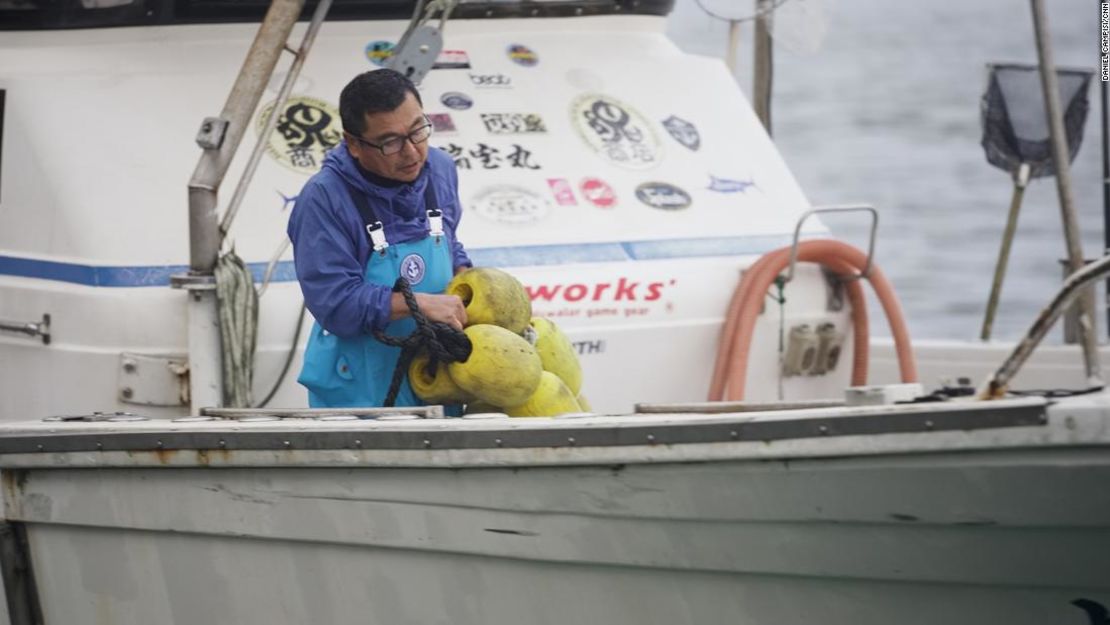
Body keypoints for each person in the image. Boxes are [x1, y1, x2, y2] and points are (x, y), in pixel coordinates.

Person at [288, 69, 471, 408]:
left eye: (418, 130)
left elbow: (451, 242)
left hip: (437, 378)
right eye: (391, 142)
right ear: (354, 143)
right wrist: (422, 304)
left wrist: (468, 281)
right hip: (362, 391)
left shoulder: (441, 169)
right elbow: (336, 303)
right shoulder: (323, 199)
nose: (413, 152)